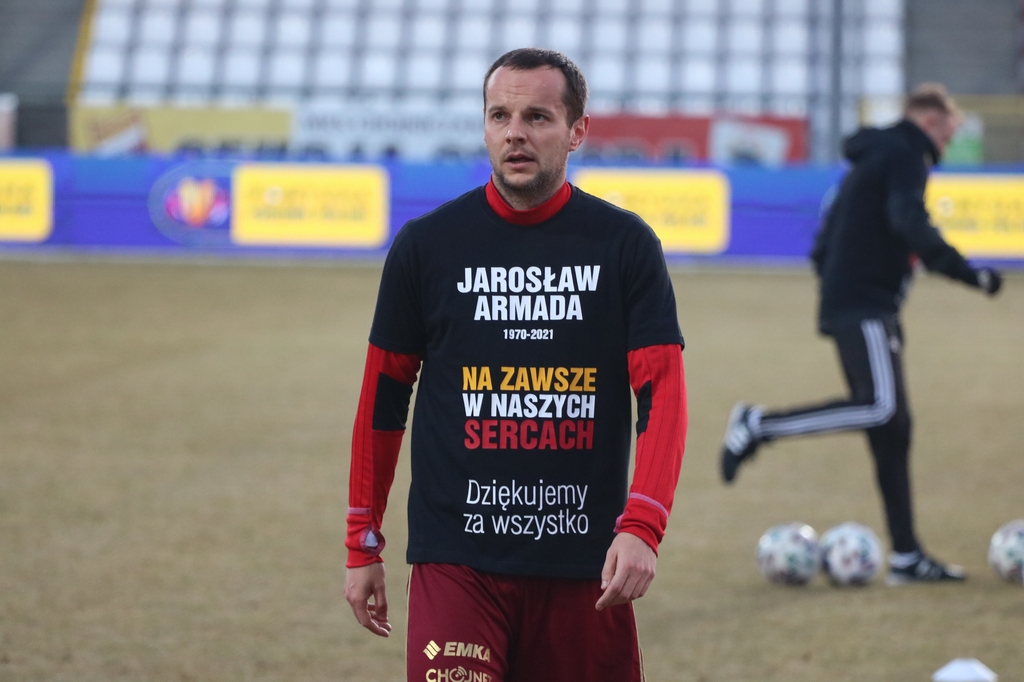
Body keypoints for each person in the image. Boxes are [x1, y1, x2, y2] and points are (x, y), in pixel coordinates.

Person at [344, 48, 687, 682]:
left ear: (577, 131)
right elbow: (382, 401)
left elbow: (663, 395)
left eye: (537, 117)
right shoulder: (426, 246)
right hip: (457, 559)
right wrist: (361, 539)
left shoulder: (625, 246)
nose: (515, 133)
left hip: (585, 566)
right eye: (499, 115)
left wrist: (643, 525)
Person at [719, 83, 1003, 585]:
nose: (947, 143)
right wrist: (969, 274)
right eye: (948, 132)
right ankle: (758, 424)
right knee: (881, 408)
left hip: (858, 300)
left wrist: (839, 282)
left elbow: (826, 237)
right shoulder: (906, 155)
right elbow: (909, 221)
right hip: (864, 304)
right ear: (930, 122)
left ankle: (907, 557)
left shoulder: (872, 157)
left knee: (893, 429)